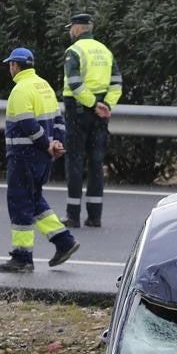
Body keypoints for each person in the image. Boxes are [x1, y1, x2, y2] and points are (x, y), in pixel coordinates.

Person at [0, 47, 80, 273]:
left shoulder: (20, 90)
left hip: (24, 156)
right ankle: (64, 241)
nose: (9, 68)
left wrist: (46, 143)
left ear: (15, 66)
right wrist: (57, 142)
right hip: (42, 158)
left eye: (10, 65)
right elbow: (58, 119)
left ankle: (22, 257)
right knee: (34, 200)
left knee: (19, 202)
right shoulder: (44, 86)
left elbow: (27, 124)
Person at [61, 13, 122, 228]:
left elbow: (75, 83)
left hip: (79, 111)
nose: (70, 31)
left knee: (75, 161)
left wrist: (91, 104)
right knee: (96, 162)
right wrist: (106, 105)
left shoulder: (74, 51)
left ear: (78, 29)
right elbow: (116, 83)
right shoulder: (105, 51)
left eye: (71, 28)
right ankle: (95, 216)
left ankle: (73, 215)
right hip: (101, 114)